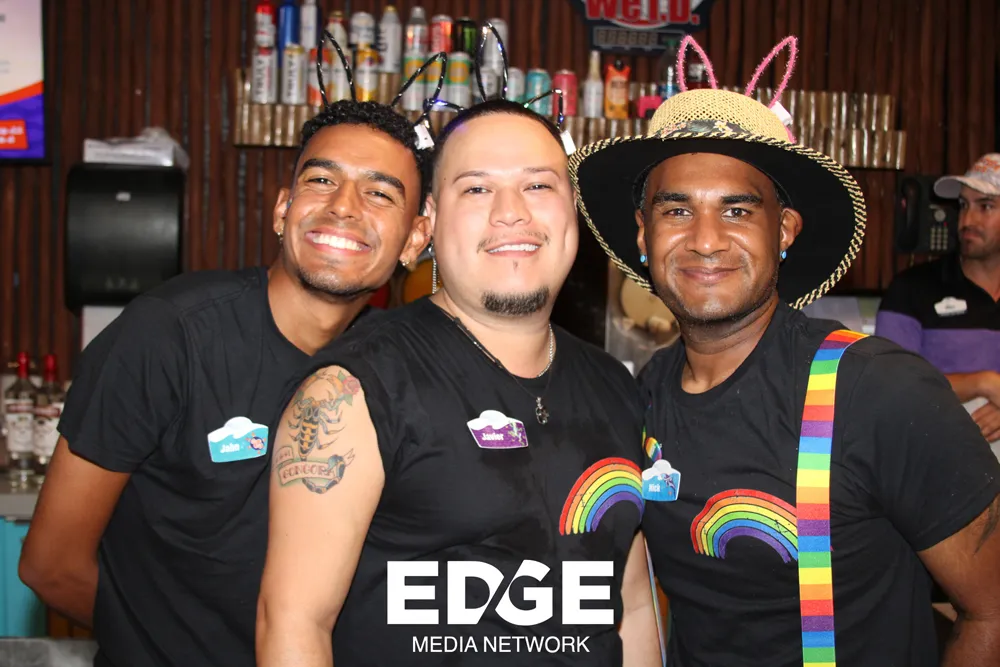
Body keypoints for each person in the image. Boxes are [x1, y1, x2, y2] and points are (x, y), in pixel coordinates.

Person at [569, 35, 1000, 667]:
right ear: (643, 234)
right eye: (676, 210)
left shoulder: (878, 392)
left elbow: (992, 612)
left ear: (784, 230)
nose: (705, 240)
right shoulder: (642, 396)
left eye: (737, 211)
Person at [18, 99, 432, 667]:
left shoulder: (399, 364)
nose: (343, 206)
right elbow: (51, 565)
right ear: (283, 209)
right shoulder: (170, 334)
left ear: (414, 239)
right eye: (321, 180)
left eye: (380, 193)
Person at [256, 99, 661, 667]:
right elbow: (293, 623)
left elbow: (632, 605)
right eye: (476, 189)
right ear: (428, 222)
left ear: (573, 210)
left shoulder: (615, 387)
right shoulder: (353, 391)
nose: (510, 213)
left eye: (538, 186)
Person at [876, 154, 1000, 446]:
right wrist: (983, 383)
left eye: (986, 206)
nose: (967, 221)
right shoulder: (912, 289)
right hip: (936, 456)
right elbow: (887, 384)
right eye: (963, 205)